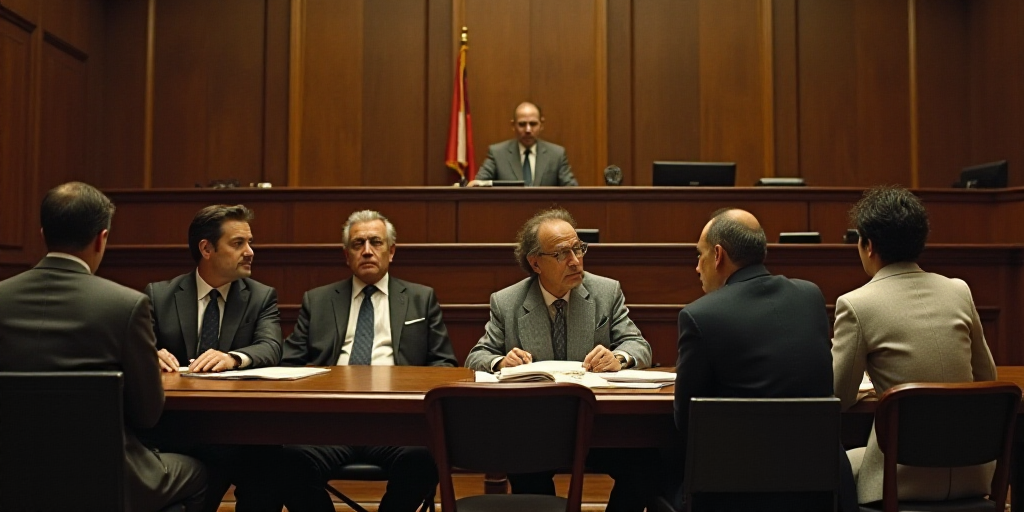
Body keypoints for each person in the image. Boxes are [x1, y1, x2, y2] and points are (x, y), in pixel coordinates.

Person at [0, 182, 207, 511]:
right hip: (106, 477)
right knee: (202, 475)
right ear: (102, 237)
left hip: (10, 475)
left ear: (43, 233)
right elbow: (148, 414)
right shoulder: (125, 305)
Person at [465, 207, 653, 512]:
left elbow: (639, 345)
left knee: (645, 463)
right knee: (526, 474)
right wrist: (501, 362)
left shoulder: (606, 291)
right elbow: (476, 356)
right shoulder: (507, 301)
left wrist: (619, 356)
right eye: (562, 253)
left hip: (598, 426)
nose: (575, 260)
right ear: (535, 262)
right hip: (537, 428)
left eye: (578, 248)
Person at [274, 210, 457, 512]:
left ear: (392, 251)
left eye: (376, 242)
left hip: (397, 423)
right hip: (329, 422)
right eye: (358, 244)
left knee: (424, 459)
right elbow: (287, 363)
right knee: (286, 461)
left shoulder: (420, 298)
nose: (367, 250)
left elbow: (445, 365)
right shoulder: (318, 300)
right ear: (346, 255)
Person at [675, 208, 855, 512]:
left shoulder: (700, 316)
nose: (697, 267)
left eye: (700, 255)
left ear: (718, 255)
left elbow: (686, 423)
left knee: (642, 470)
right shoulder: (810, 297)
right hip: (817, 490)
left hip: (732, 495)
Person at [833, 186, 997, 505]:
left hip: (899, 480)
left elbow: (838, 396)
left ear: (868, 245)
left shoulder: (855, 304)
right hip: (973, 473)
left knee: (835, 466)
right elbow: (986, 377)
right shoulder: (959, 291)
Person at [144, 204, 283, 512]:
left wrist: (233, 358)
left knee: (270, 466)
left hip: (242, 429)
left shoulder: (260, 297)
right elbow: (138, 348)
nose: (250, 252)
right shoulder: (160, 295)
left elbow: (272, 347)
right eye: (238, 244)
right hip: (180, 429)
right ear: (206, 248)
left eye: (250, 243)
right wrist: (149, 356)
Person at [468, 101, 578, 187]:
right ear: (513, 125)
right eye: (522, 124)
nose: (528, 129)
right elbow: (479, 184)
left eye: (533, 124)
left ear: (541, 124)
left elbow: (572, 191)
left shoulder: (556, 154)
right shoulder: (497, 154)